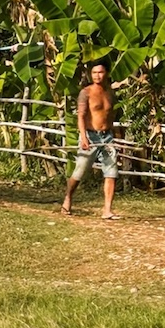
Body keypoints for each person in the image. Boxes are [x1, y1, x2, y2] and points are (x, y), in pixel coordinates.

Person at [62, 61, 120, 218]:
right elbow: (80, 116)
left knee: (111, 172)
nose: (97, 76)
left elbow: (111, 116)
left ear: (106, 73)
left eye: (100, 72)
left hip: (107, 136)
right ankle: (68, 197)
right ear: (90, 74)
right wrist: (84, 137)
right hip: (90, 135)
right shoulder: (85, 92)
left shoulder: (110, 92)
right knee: (80, 170)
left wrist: (114, 135)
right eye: (94, 73)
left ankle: (107, 210)